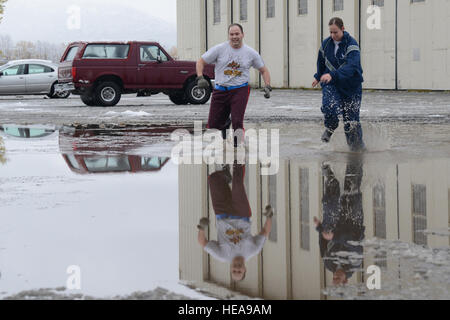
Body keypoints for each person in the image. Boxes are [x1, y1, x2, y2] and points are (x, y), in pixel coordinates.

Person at [196, 23, 272, 146]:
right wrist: (200, 77)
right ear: (228, 36)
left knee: (237, 121)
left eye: (237, 34)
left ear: (242, 35)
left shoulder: (250, 53)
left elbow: (263, 70)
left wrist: (267, 85)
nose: (234, 37)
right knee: (214, 124)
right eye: (232, 34)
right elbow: (201, 62)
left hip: (240, 89)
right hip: (220, 89)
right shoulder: (219, 49)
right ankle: (226, 123)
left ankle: (238, 148)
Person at [197, 164, 272, 282]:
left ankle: (225, 175)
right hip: (241, 214)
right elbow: (265, 232)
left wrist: (201, 228)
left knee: (213, 179)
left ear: (230, 269)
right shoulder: (252, 250)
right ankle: (238, 154)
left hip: (222, 214)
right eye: (239, 271)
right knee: (237, 183)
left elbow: (202, 243)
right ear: (245, 269)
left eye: (234, 271)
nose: (237, 269)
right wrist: (269, 217)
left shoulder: (222, 255)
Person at [312, 17, 366, 152]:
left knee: (351, 122)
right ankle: (330, 128)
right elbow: (321, 62)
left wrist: (333, 74)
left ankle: (357, 150)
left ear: (343, 29)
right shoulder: (325, 44)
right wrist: (318, 76)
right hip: (332, 83)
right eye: (330, 32)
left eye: (335, 32)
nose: (332, 35)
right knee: (329, 105)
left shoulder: (351, 45)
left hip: (351, 86)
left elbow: (352, 66)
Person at [314, 156, 365, 286]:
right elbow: (354, 244)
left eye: (334, 279)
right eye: (338, 279)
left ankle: (330, 179)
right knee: (351, 186)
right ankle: (356, 154)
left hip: (335, 224)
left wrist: (320, 228)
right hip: (353, 223)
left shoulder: (328, 263)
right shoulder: (355, 263)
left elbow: (323, 243)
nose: (335, 276)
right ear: (345, 280)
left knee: (330, 203)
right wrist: (335, 237)